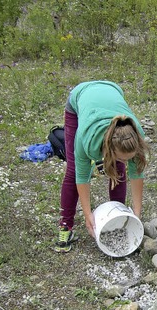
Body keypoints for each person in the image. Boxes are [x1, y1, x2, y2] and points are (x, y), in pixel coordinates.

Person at [55, 80, 149, 253]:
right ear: (109, 149)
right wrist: (88, 214)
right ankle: (65, 227)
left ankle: (117, 216)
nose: (127, 162)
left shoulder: (135, 137)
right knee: (72, 169)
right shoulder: (86, 141)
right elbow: (82, 178)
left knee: (117, 168)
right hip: (79, 99)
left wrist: (136, 211)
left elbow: (137, 175)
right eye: (122, 157)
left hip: (111, 90)